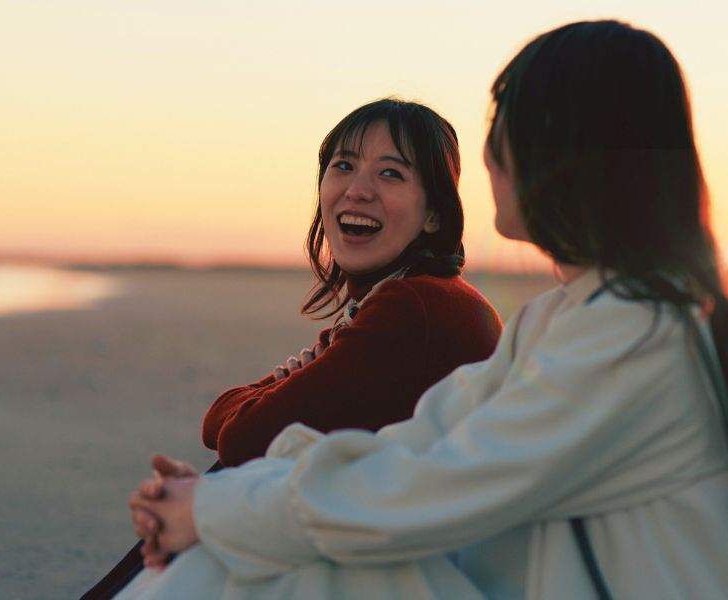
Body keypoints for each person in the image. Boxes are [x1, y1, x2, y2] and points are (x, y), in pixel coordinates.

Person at [121, 20, 728, 599]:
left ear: (563, 153)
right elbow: (423, 443)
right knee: (262, 553)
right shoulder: (566, 318)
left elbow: (432, 483)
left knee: (265, 559)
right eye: (343, 166)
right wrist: (217, 501)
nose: (490, 153)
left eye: (504, 123)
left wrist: (214, 508)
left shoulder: (634, 333)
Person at [82, 98, 501, 599]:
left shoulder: (415, 306)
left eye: (391, 174)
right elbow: (228, 427)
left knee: (232, 496)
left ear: (433, 214)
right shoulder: (397, 298)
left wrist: (219, 476)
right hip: (407, 545)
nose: (358, 189)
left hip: (433, 568)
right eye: (343, 166)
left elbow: (242, 438)